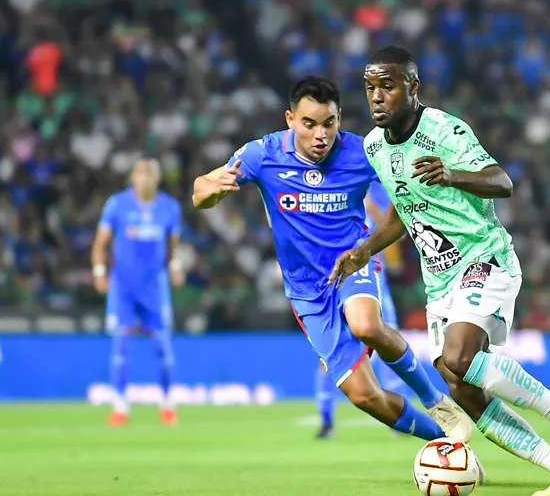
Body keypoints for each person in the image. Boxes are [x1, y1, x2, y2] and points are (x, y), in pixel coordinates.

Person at [329, 47, 550, 496]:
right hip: (439, 280)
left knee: (459, 358)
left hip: (484, 258)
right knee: (460, 387)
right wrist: (363, 252)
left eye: (388, 86)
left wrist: (452, 173)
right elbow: (402, 211)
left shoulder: (444, 130)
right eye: (370, 87)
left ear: (413, 87)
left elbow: (502, 182)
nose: (377, 97)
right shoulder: (375, 147)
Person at [191, 76, 479, 453]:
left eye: (328, 123)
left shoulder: (364, 152)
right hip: (306, 290)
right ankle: (449, 447)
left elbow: (408, 192)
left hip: (352, 262)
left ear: (339, 118)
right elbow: (200, 189)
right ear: (290, 119)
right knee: (366, 396)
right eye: (309, 124)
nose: (320, 134)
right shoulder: (263, 154)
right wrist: (210, 193)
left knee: (365, 324)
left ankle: (435, 400)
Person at [91, 158, 185, 426]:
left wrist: (174, 266)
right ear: (133, 177)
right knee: (120, 347)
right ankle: (120, 406)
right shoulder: (117, 204)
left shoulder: (169, 208)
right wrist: (99, 271)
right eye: (141, 173)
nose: (145, 178)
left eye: (150, 173)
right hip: (123, 287)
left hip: (154, 287)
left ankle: (167, 404)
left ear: (158, 178)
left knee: (163, 349)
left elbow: (173, 245)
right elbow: (100, 243)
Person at [314, 180, 408, 439]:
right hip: (335, 280)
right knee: (329, 352)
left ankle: (399, 419)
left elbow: (395, 230)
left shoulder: (380, 190)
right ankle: (326, 421)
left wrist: (369, 203)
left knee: (389, 344)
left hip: (374, 280)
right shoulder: (330, 189)